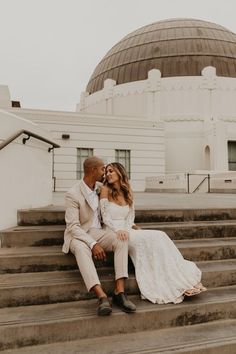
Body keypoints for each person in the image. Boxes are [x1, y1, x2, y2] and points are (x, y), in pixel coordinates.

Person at [100, 162, 207, 304]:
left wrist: (127, 229)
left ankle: (177, 277)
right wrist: (118, 230)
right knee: (150, 239)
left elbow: (130, 217)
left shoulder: (128, 192)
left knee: (160, 235)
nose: (108, 174)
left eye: (111, 171)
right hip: (112, 231)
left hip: (126, 230)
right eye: (106, 172)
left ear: (120, 173)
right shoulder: (105, 190)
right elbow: (105, 216)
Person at [63, 157, 136, 315]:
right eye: (103, 169)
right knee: (82, 250)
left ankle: (119, 292)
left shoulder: (100, 187)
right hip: (79, 234)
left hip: (99, 232)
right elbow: (73, 226)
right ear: (92, 170)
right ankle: (101, 296)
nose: (105, 172)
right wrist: (93, 244)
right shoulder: (73, 194)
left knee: (121, 239)